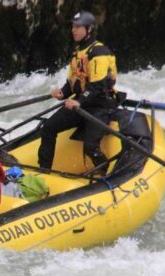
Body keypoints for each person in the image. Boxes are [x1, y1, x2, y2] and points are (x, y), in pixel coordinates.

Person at [37, 10, 118, 174]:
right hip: (82, 103)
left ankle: (106, 172)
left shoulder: (100, 52)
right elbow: (74, 81)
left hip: (100, 106)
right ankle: (44, 172)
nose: (73, 30)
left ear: (89, 29)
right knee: (48, 128)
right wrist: (63, 92)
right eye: (73, 26)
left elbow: (98, 86)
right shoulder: (77, 51)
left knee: (90, 147)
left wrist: (79, 101)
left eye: (78, 27)